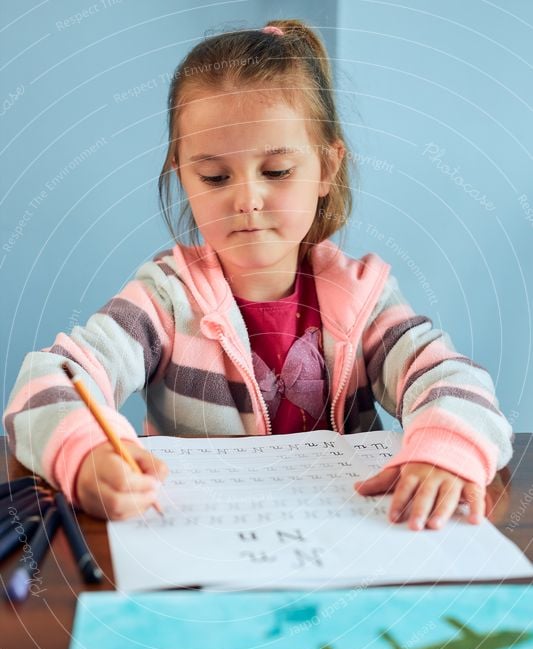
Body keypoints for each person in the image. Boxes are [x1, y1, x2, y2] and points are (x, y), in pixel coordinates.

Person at [3, 19, 513, 530]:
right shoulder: (164, 297)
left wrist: (444, 451)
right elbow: (47, 379)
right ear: (181, 173)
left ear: (326, 168)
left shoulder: (363, 296)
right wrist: (85, 454)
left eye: (276, 171)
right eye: (215, 176)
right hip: (198, 538)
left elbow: (452, 379)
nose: (245, 199)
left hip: (350, 537)